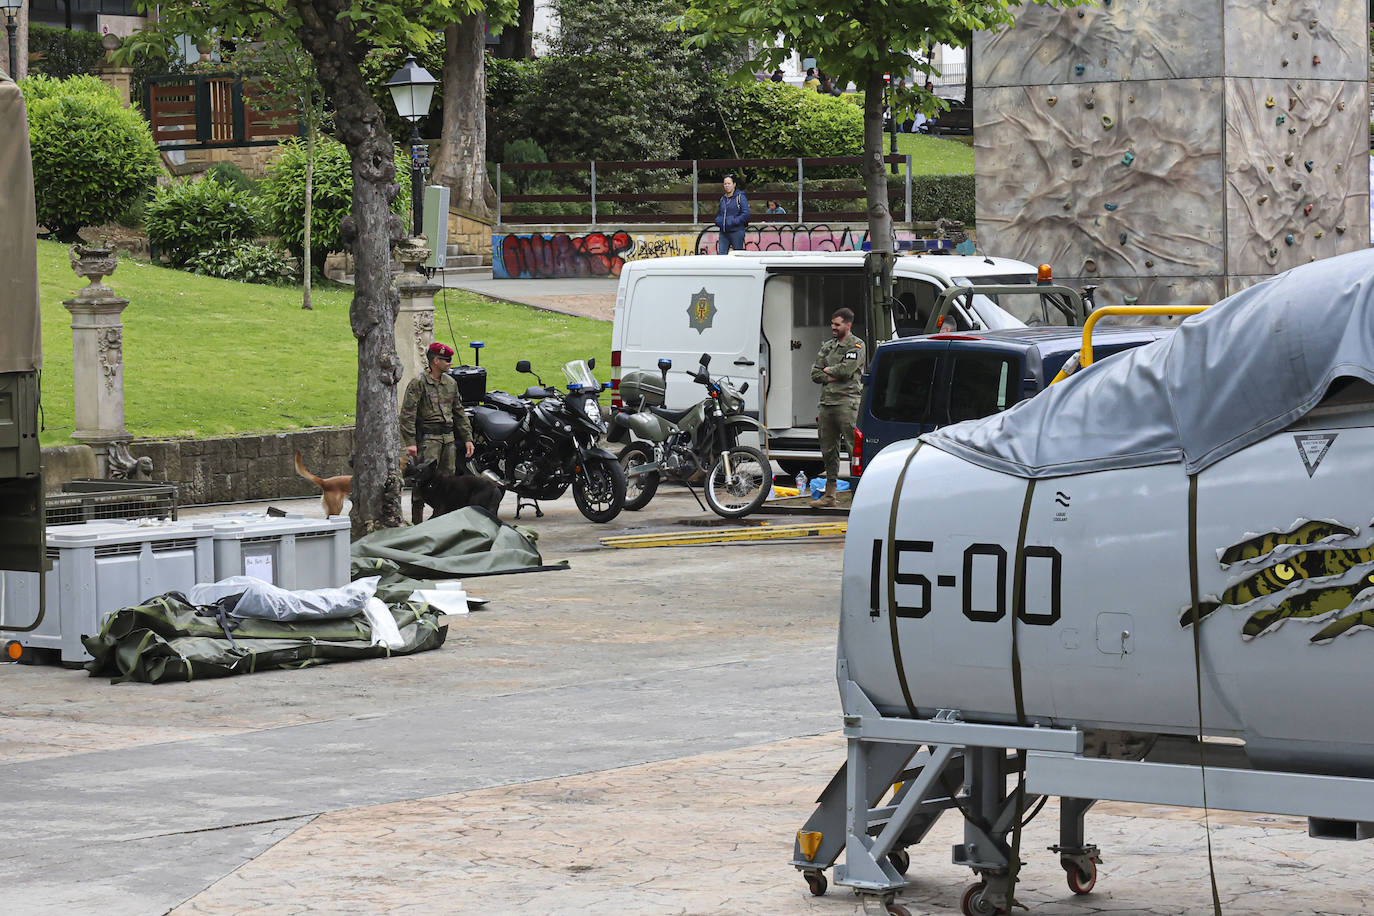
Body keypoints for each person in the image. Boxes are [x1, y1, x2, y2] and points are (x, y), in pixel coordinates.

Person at [401, 342, 475, 519]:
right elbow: (407, 415)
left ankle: (442, 521)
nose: (450, 363)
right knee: (422, 480)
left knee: (447, 482)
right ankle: (417, 522)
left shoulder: (451, 383)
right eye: (446, 360)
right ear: (435, 361)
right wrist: (410, 443)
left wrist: (467, 438)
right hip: (429, 439)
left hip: (448, 439)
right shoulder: (419, 383)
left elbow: (459, 412)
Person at [810, 307, 865, 507]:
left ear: (848, 325)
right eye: (832, 324)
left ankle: (858, 495)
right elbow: (815, 374)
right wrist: (831, 373)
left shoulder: (857, 345)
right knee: (828, 450)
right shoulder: (828, 346)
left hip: (847, 404)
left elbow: (846, 370)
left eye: (837, 324)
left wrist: (830, 371)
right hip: (827, 404)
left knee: (854, 450)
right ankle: (830, 495)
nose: (833, 327)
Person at [713, 174, 750, 254]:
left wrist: (733, 221)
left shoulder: (740, 197)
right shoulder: (723, 199)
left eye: (729, 183)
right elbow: (719, 213)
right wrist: (718, 221)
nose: (727, 186)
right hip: (724, 232)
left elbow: (746, 214)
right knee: (722, 255)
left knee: (738, 255)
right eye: (725, 184)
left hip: (736, 232)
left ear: (734, 184)